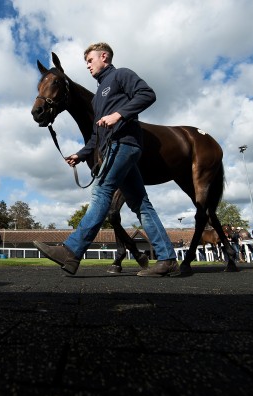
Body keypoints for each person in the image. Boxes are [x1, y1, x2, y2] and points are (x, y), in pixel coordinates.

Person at [33, 42, 178, 276]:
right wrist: (81, 155)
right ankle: (168, 259)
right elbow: (96, 134)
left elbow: (147, 94)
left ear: (104, 57)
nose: (88, 65)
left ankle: (71, 251)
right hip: (114, 145)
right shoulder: (98, 97)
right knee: (141, 204)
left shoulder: (121, 75)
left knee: (101, 192)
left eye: (90, 60)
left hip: (124, 143)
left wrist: (119, 115)